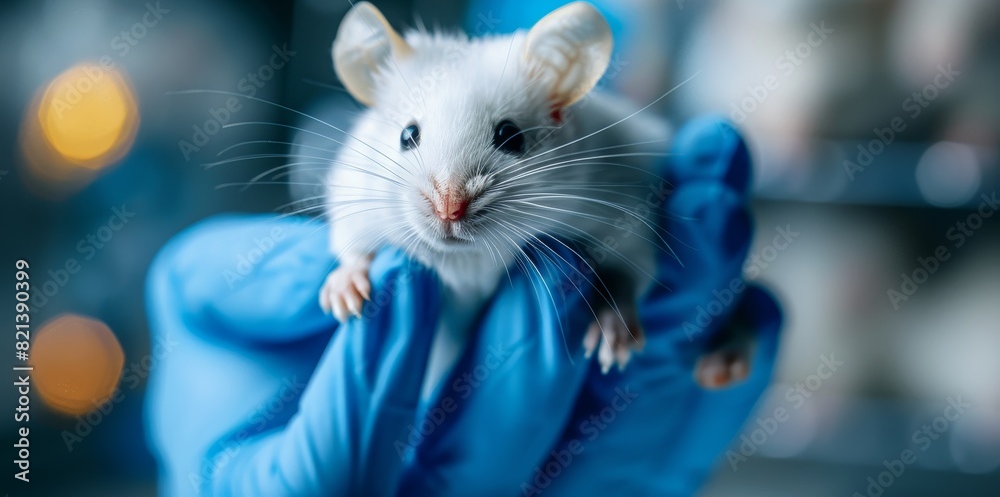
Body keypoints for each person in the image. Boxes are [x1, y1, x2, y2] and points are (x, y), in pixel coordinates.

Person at [144, 114, 782, 496]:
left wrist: (620, 299)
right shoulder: (371, 164)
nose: (448, 205)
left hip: (572, 344)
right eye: (412, 135)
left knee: (687, 288)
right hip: (448, 385)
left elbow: (629, 231)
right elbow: (350, 198)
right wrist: (352, 262)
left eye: (507, 136)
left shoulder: (596, 161)